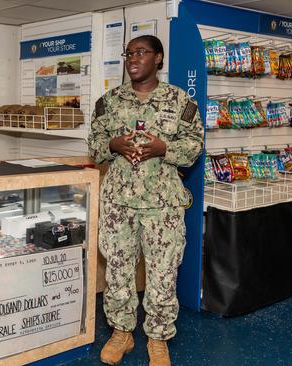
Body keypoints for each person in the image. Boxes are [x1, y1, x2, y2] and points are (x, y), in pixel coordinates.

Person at [87, 35, 204, 366]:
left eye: (141, 52)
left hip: (162, 205)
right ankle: (122, 333)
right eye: (129, 53)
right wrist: (114, 144)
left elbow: (194, 146)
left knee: (163, 273)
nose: (133, 58)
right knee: (118, 271)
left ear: (159, 58)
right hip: (119, 205)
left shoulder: (180, 102)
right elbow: (94, 144)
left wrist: (164, 148)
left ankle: (158, 338)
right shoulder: (108, 102)